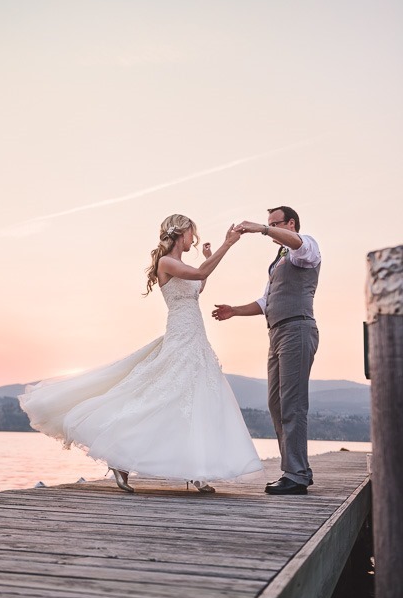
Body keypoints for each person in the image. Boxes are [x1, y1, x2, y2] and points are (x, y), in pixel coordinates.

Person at [19, 214, 262, 494]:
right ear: (180, 234)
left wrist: (209, 256)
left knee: (199, 397)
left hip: (197, 337)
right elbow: (200, 274)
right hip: (181, 335)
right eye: (191, 234)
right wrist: (226, 245)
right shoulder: (166, 263)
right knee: (163, 394)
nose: (193, 239)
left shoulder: (181, 264)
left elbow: (197, 285)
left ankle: (196, 468)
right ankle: (119, 457)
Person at [212, 206, 320, 495]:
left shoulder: (304, 247)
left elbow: (298, 244)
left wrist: (261, 227)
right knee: (276, 403)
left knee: (292, 404)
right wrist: (234, 310)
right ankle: (299, 469)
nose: (270, 231)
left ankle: (295, 475)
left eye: (275, 225)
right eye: (269, 225)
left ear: (291, 223)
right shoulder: (278, 262)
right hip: (277, 334)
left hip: (297, 329)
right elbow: (265, 302)